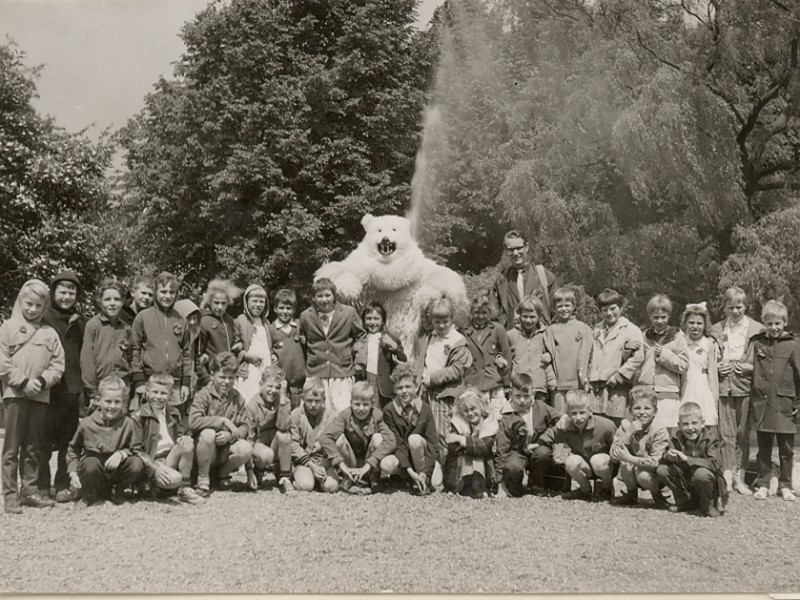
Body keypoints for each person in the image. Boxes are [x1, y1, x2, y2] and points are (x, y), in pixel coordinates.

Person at [0, 280, 65, 513]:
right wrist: (23, 382)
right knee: (11, 448)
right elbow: (3, 362)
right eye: (29, 304)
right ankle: (9, 496)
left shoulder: (50, 333)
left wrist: (40, 382)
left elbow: (58, 364)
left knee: (32, 446)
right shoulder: (7, 327)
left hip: (39, 395)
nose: (33, 309)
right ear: (20, 301)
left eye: (39, 305)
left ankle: (29, 490)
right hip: (15, 395)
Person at [709, 286, 764, 495]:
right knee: (725, 432)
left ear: (746, 307)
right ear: (724, 307)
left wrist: (751, 367)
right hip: (724, 385)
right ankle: (727, 476)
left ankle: (740, 476)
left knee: (742, 432)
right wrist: (718, 364)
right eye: (730, 307)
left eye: (739, 307)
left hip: (745, 385)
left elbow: (765, 360)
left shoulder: (757, 330)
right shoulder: (716, 329)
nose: (735, 311)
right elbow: (708, 356)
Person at [743, 299, 800, 501]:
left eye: (778, 323)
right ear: (764, 323)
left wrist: (798, 404)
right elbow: (749, 367)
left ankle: (785, 485)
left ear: (785, 323)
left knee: (786, 448)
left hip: (784, 403)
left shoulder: (793, 345)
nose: (774, 328)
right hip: (762, 403)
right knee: (763, 447)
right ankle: (764, 482)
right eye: (769, 323)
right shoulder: (758, 342)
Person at [39, 270, 86, 501]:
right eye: (62, 291)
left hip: (72, 389)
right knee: (44, 440)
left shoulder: (80, 320)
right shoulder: (43, 317)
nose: (67, 297)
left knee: (68, 440)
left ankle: (62, 484)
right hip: (49, 388)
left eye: (71, 292)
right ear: (53, 292)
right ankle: (41, 485)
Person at [66, 375, 145, 507]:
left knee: (136, 464)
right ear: (99, 400)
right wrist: (73, 473)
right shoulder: (86, 424)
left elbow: (135, 448)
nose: (112, 406)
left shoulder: (128, 423)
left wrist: (121, 454)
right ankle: (89, 495)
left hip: (116, 472)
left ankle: (117, 491)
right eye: (108, 401)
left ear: (123, 401)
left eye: (117, 402)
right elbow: (73, 450)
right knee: (91, 463)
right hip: (94, 472)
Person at [413, 296, 472, 471]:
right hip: (428, 392)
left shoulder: (457, 340)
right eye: (437, 321)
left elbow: (457, 369)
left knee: (443, 432)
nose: (441, 325)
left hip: (444, 393)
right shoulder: (430, 337)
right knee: (429, 430)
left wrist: (432, 379)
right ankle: (433, 470)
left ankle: (449, 472)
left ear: (452, 319)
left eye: (445, 321)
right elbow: (423, 361)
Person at [130, 372, 205, 504]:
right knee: (175, 478)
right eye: (155, 392)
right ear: (147, 391)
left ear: (170, 395)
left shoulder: (174, 413)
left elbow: (180, 435)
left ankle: (184, 489)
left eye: (163, 393)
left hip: (171, 457)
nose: (158, 397)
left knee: (187, 444)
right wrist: (155, 468)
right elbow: (136, 449)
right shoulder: (138, 416)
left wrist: (183, 438)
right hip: (153, 462)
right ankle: (155, 485)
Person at [188, 352, 253, 495]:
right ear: (212, 375)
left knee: (245, 448)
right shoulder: (203, 394)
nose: (227, 382)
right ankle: (203, 479)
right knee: (208, 433)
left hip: (224, 449)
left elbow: (245, 426)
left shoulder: (237, 397)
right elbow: (193, 422)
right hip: (205, 449)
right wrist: (221, 421)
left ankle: (222, 474)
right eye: (222, 377)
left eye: (231, 378)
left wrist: (230, 435)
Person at [534, 390, 616, 501]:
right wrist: (538, 443)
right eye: (574, 413)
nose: (578, 418)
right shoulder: (566, 427)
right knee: (570, 462)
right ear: (568, 414)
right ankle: (585, 490)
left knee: (597, 461)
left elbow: (618, 447)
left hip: (605, 467)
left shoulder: (606, 426)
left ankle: (606, 489)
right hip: (585, 466)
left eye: (582, 412)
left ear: (590, 412)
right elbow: (551, 435)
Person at [299, 278, 365, 413]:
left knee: (343, 411)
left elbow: (362, 336)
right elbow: (303, 339)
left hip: (341, 372)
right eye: (320, 296)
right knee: (315, 411)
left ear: (334, 295)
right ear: (313, 298)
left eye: (327, 295)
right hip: (316, 373)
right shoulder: (305, 316)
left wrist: (357, 356)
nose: (324, 299)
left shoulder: (348, 312)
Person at [319, 381, 396, 494]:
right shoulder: (345, 415)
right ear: (351, 403)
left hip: (369, 461)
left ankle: (373, 477)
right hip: (351, 461)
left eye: (365, 404)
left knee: (378, 438)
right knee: (340, 440)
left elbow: (391, 440)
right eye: (357, 404)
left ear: (372, 403)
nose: (361, 409)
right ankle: (347, 477)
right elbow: (324, 437)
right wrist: (341, 464)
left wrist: (370, 463)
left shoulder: (377, 416)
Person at [130, 272, 192, 412]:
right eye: (163, 291)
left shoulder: (181, 319)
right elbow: (135, 350)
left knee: (173, 425)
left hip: (174, 384)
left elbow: (187, 353)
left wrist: (186, 383)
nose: (167, 296)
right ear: (156, 292)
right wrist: (139, 381)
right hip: (150, 382)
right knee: (149, 423)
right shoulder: (143, 317)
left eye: (172, 292)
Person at [495, 372, 560, 498]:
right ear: (511, 394)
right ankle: (515, 486)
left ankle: (537, 485)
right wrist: (500, 483)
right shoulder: (506, 415)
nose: (522, 400)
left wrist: (544, 438)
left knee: (543, 454)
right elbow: (502, 450)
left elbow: (561, 422)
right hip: (517, 452)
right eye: (517, 396)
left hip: (538, 449)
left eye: (526, 396)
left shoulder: (541, 407)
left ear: (533, 394)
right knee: (512, 466)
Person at [656, 401, 727, 516]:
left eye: (694, 423)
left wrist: (687, 459)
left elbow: (715, 464)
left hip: (707, 482)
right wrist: (668, 456)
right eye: (685, 424)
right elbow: (663, 457)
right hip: (687, 478)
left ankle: (707, 505)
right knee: (663, 469)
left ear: (702, 423)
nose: (690, 428)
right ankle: (685, 502)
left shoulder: (711, 438)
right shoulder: (676, 437)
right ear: (679, 425)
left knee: (702, 474)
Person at [588, 288, 644, 425]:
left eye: (613, 308)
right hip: (597, 387)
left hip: (618, 387)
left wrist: (619, 376)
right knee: (598, 423)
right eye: (604, 310)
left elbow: (638, 358)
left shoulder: (631, 329)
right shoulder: (596, 329)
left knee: (616, 423)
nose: (609, 313)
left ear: (621, 308)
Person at [380, 365, 439, 495]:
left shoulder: (425, 409)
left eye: (408, 387)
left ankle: (423, 479)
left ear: (416, 387)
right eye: (400, 388)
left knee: (414, 439)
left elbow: (433, 444)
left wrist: (426, 472)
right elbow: (398, 443)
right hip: (403, 457)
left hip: (422, 458)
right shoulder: (389, 410)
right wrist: (409, 471)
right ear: (394, 389)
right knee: (386, 464)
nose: (404, 391)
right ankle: (406, 477)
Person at [633, 294, 688, 431]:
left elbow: (684, 365)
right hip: (647, 392)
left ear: (669, 316)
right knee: (647, 430)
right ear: (650, 317)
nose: (659, 321)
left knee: (667, 431)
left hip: (667, 392)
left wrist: (664, 354)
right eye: (655, 317)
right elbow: (637, 361)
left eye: (663, 317)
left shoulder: (677, 337)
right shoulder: (645, 336)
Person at [609, 386, 670, 507]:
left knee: (642, 474)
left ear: (655, 411)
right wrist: (628, 435)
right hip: (633, 470)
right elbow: (613, 456)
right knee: (626, 465)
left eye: (647, 408)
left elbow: (655, 462)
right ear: (630, 410)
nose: (642, 412)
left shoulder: (659, 429)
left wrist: (631, 459)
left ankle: (658, 496)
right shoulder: (626, 425)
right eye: (637, 408)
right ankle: (631, 495)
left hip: (654, 474)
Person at [81, 278, 133, 411]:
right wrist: (92, 392)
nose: (112, 304)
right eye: (107, 299)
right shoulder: (93, 325)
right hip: (100, 386)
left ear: (122, 302)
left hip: (122, 387)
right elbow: (87, 361)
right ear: (100, 301)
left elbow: (130, 357)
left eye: (117, 299)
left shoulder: (126, 328)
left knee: (119, 427)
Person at [542, 287, 593, 414]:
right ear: (554, 308)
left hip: (579, 384)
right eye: (559, 306)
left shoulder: (584, 329)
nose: (564, 309)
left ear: (574, 306)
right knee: (560, 418)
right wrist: (551, 379)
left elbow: (590, 356)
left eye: (567, 305)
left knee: (579, 415)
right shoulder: (550, 331)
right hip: (558, 385)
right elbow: (545, 359)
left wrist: (587, 379)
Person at [493, 230, 559, 328]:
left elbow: (557, 312)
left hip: (540, 337)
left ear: (526, 247)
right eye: (511, 249)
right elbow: (495, 315)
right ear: (506, 251)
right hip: (514, 339)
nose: (515, 253)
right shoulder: (501, 280)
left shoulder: (544, 275)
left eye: (519, 248)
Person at [442, 387, 498, 498]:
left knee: (478, 456)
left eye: (473, 409)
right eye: (466, 411)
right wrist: (471, 445)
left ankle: (481, 487)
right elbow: (453, 446)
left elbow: (485, 445)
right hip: (462, 466)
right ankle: (462, 486)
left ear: (481, 407)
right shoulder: (459, 423)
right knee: (465, 455)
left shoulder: (489, 423)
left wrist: (461, 439)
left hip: (486, 466)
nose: (470, 413)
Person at [245, 366, 293, 493]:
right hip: (260, 447)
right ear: (261, 385)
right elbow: (249, 439)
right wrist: (249, 470)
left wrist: (283, 398)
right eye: (270, 386)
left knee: (285, 435)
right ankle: (258, 471)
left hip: (275, 445)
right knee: (267, 454)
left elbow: (284, 426)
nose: (273, 391)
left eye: (278, 387)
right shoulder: (252, 406)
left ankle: (284, 477)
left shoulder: (283, 401)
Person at [463, 292, 511, 418]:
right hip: (472, 383)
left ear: (490, 312)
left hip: (493, 382)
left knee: (498, 417)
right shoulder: (464, 331)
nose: (480, 316)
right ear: (471, 312)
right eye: (476, 312)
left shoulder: (498, 329)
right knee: (474, 418)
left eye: (484, 312)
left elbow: (506, 354)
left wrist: (506, 383)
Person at [290, 378, 339, 493]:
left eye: (317, 401)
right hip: (304, 462)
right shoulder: (295, 415)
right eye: (309, 400)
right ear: (302, 399)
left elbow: (337, 442)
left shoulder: (332, 417)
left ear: (324, 400)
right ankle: (299, 479)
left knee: (332, 487)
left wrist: (324, 464)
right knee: (306, 486)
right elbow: (294, 446)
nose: (313, 405)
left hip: (324, 462)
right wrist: (312, 466)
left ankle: (319, 480)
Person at [354, 301, 407, 409]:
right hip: (365, 379)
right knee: (366, 408)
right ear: (364, 321)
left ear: (382, 321)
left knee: (381, 412)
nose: (372, 322)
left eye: (376, 319)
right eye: (369, 318)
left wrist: (394, 347)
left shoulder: (389, 338)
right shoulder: (361, 338)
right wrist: (354, 348)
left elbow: (403, 359)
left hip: (382, 383)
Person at [196, 278, 243, 389]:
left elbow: (235, 344)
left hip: (228, 378)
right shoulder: (203, 321)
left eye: (223, 303)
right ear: (209, 301)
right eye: (216, 303)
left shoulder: (230, 321)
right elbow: (197, 356)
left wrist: (238, 343)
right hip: (211, 378)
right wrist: (206, 379)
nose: (220, 307)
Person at [679, 302, 719, 427]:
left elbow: (712, 374)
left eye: (699, 323)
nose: (695, 326)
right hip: (686, 384)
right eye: (691, 323)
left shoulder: (709, 344)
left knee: (704, 419)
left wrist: (714, 398)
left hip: (703, 386)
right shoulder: (681, 342)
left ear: (705, 325)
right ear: (685, 323)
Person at [506, 295, 553, 394]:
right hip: (518, 387)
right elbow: (505, 357)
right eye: (525, 316)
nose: (528, 320)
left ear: (539, 316)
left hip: (539, 387)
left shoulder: (545, 334)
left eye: (532, 317)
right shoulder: (511, 335)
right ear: (519, 315)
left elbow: (554, 353)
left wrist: (550, 355)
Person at [235, 284, 273, 403]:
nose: (258, 305)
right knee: (249, 397)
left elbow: (269, 344)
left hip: (265, 365)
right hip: (250, 367)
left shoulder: (266, 323)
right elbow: (234, 346)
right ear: (246, 302)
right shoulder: (240, 320)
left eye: (261, 302)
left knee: (264, 395)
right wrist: (246, 356)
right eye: (254, 301)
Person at [270, 289, 306, 409]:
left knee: (297, 414)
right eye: (281, 308)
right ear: (275, 309)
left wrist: (305, 342)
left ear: (294, 310)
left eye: (288, 308)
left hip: (299, 385)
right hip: (280, 385)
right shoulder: (271, 329)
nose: (285, 312)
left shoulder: (300, 326)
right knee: (282, 414)